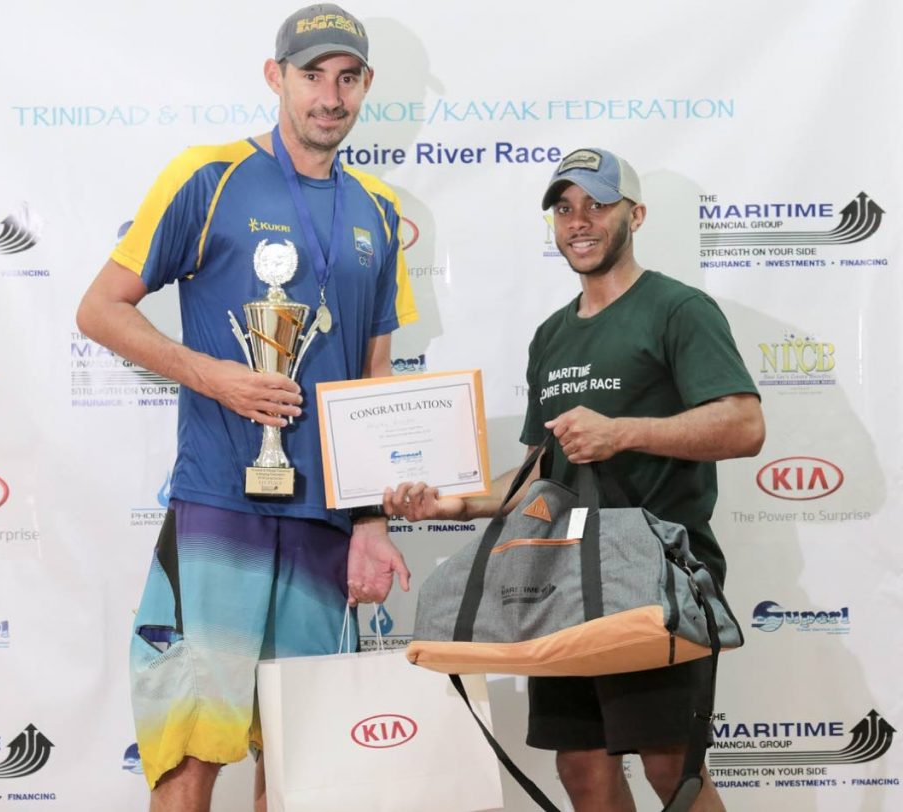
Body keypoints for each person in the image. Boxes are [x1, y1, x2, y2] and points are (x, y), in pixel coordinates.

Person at [76, 5, 416, 810]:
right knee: (193, 752)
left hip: (325, 521)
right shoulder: (209, 175)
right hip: (221, 502)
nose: (329, 97)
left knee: (303, 758)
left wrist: (371, 518)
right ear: (276, 78)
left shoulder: (376, 212)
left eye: (346, 78)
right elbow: (99, 309)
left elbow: (373, 372)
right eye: (312, 76)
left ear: (366, 86)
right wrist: (216, 377)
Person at [384, 147, 764, 812]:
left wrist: (624, 431)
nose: (579, 221)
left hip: (655, 575)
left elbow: (744, 425)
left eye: (597, 204)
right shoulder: (552, 335)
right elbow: (539, 471)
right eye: (564, 208)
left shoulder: (678, 309)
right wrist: (453, 502)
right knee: (582, 766)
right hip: (562, 579)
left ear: (636, 214)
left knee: (670, 764)